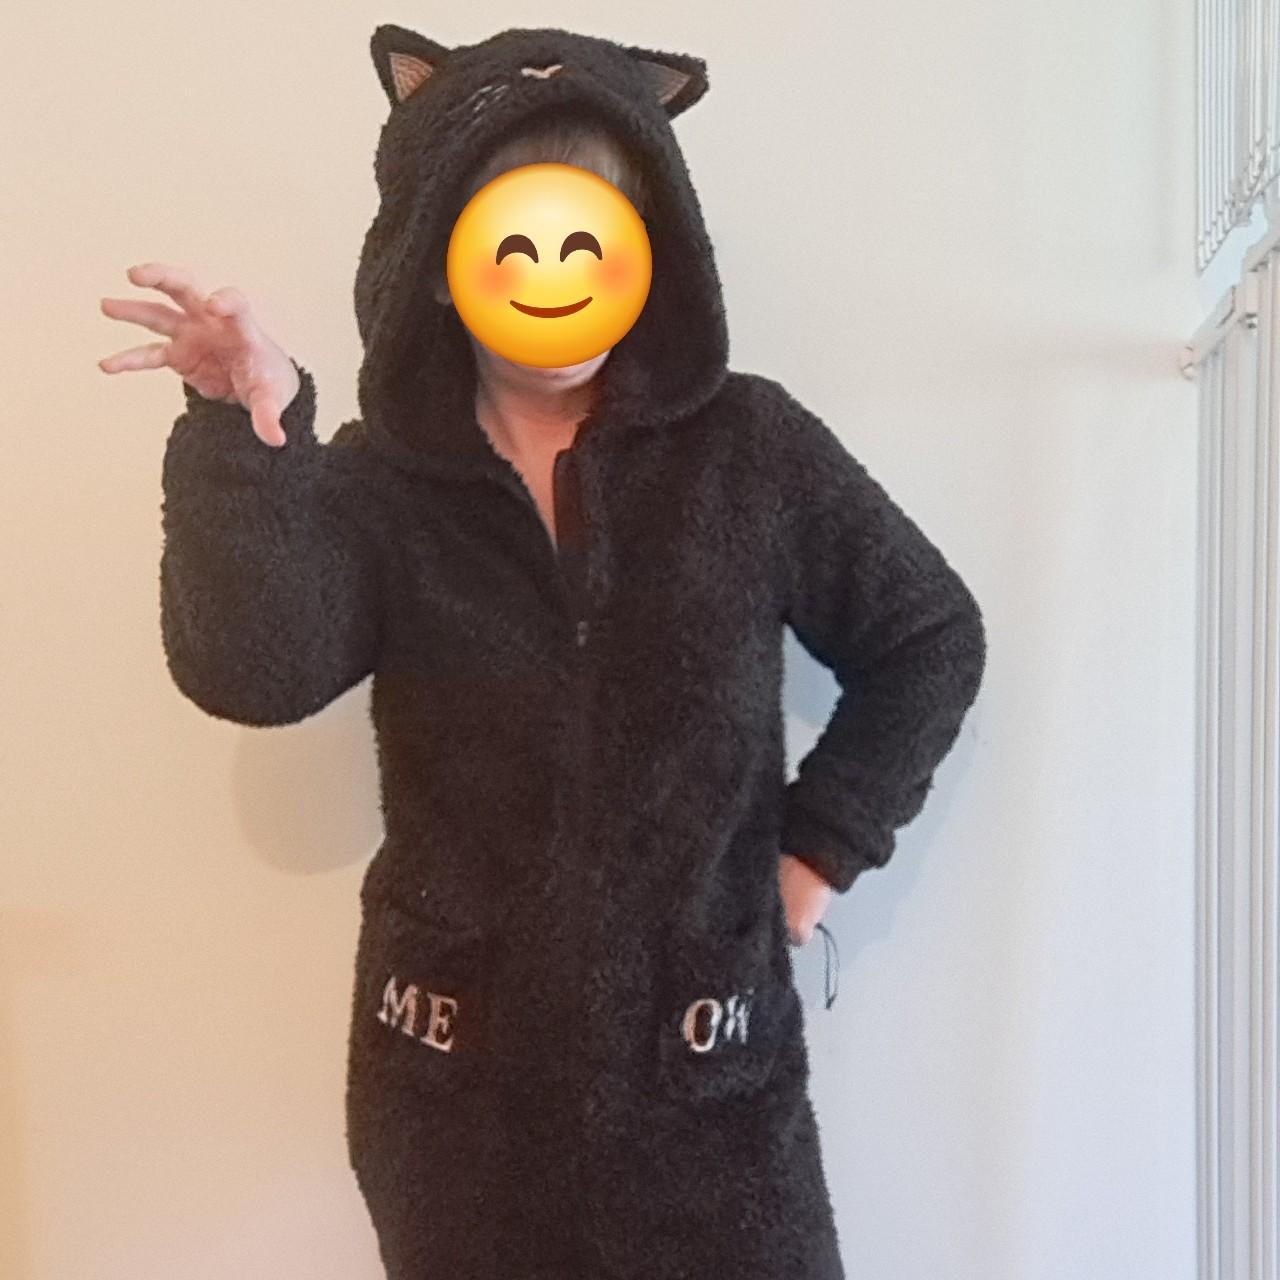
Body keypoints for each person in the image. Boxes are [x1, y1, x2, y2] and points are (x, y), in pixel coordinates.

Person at [98, 23, 987, 1280]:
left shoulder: (749, 451)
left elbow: (927, 634)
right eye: (512, 236)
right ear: (438, 258)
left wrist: (820, 846)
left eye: (592, 233)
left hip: (708, 1085)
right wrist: (244, 439)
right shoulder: (384, 480)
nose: (553, 270)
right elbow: (254, 672)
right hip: (453, 1093)